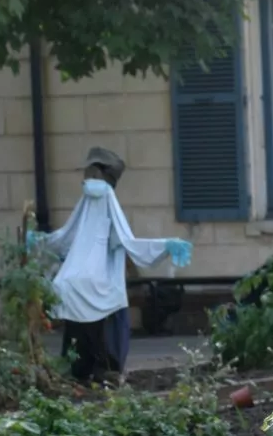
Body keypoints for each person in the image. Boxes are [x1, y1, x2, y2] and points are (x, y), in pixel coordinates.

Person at [29, 147, 192, 382]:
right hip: (95, 287)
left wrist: (37, 242)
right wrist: (167, 245)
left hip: (74, 284)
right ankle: (102, 370)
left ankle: (86, 369)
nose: (90, 180)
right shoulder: (97, 206)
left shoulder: (92, 205)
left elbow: (64, 238)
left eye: (93, 174)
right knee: (107, 316)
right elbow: (130, 244)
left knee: (85, 321)